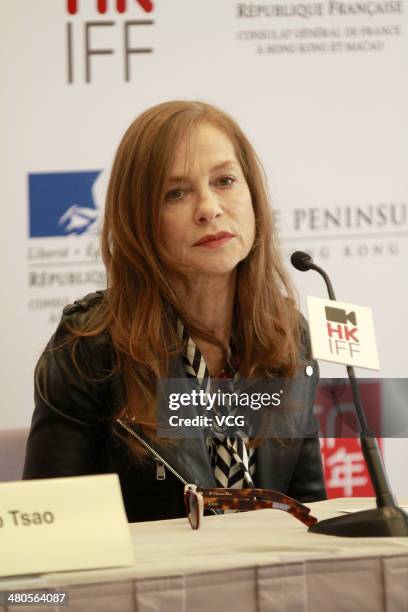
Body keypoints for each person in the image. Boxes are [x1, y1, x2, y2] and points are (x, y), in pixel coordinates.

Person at [23, 100, 326, 522]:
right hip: (143, 586)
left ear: (253, 195)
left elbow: (309, 509)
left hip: (270, 584)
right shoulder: (91, 346)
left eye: (224, 181)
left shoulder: (286, 333)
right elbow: (46, 527)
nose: (209, 208)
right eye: (176, 193)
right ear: (139, 219)